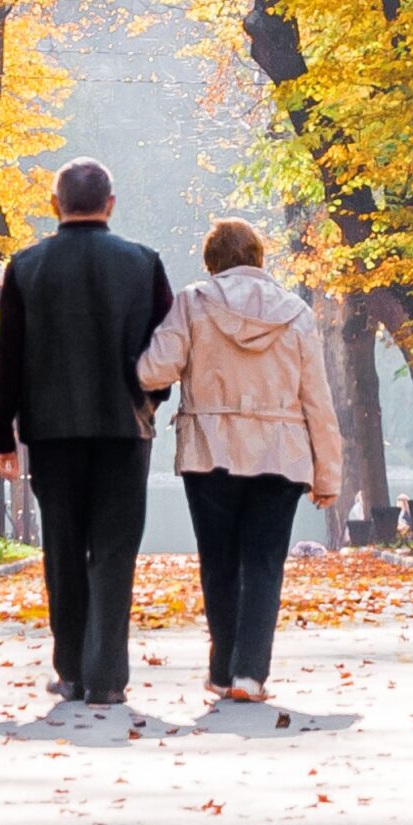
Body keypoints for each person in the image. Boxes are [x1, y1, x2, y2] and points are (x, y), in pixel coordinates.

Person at [0, 158, 173, 707]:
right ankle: (107, 676)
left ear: (55, 204)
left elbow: (8, 359)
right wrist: (150, 399)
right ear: (110, 204)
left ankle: (69, 669)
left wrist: (4, 433)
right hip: (123, 429)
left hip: (52, 432)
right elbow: (164, 349)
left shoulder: (27, 267)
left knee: (64, 547)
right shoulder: (144, 264)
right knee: (115, 549)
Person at [136, 219, 342, 704]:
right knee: (265, 563)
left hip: (211, 451)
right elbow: (317, 399)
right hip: (282, 456)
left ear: (212, 263)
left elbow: (155, 369)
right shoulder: (296, 313)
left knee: (220, 561)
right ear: (259, 259)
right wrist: (327, 471)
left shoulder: (193, 302)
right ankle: (250, 675)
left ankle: (221, 670)